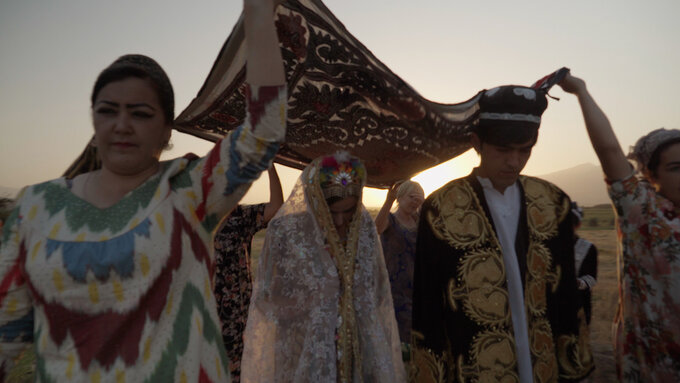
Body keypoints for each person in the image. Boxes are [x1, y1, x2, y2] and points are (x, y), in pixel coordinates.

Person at [0, 0, 287, 381]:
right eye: (108, 111)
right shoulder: (35, 209)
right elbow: (7, 333)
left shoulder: (190, 191)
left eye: (140, 113)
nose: (122, 124)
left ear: (167, 130)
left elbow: (264, 131)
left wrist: (257, 12)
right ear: (93, 119)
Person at [411, 85, 593, 383]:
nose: (515, 162)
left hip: (541, 361)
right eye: (503, 150)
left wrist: (573, 367)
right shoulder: (442, 206)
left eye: (525, 151)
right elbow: (428, 300)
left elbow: (564, 296)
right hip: (471, 362)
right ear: (476, 143)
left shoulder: (551, 202)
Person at [241, 152, 406, 382]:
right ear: (313, 199)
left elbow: (378, 292)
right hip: (304, 356)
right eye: (331, 212)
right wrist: (313, 305)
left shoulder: (364, 228)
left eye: (348, 211)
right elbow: (266, 300)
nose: (339, 221)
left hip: (359, 356)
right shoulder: (287, 232)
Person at [559, 73, 680, 382]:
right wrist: (581, 92)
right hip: (657, 364)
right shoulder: (643, 211)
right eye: (675, 168)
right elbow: (609, 150)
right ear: (651, 175)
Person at [213, 165, 283, 383]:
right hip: (205, 310)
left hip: (235, 314)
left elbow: (276, 206)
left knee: (235, 370)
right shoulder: (198, 219)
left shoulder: (240, 216)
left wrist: (271, 167)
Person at [374, 180, 424, 356]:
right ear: (400, 196)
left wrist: (424, 206)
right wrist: (388, 201)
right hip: (393, 288)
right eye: (411, 197)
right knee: (396, 338)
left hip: (416, 287)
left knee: (416, 337)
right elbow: (376, 228)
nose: (414, 202)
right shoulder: (391, 221)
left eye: (418, 199)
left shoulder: (419, 221)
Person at [570, 202, 598, 325]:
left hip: (579, 302)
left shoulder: (588, 248)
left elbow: (591, 278)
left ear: (578, 225)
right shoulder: (548, 247)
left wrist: (579, 283)